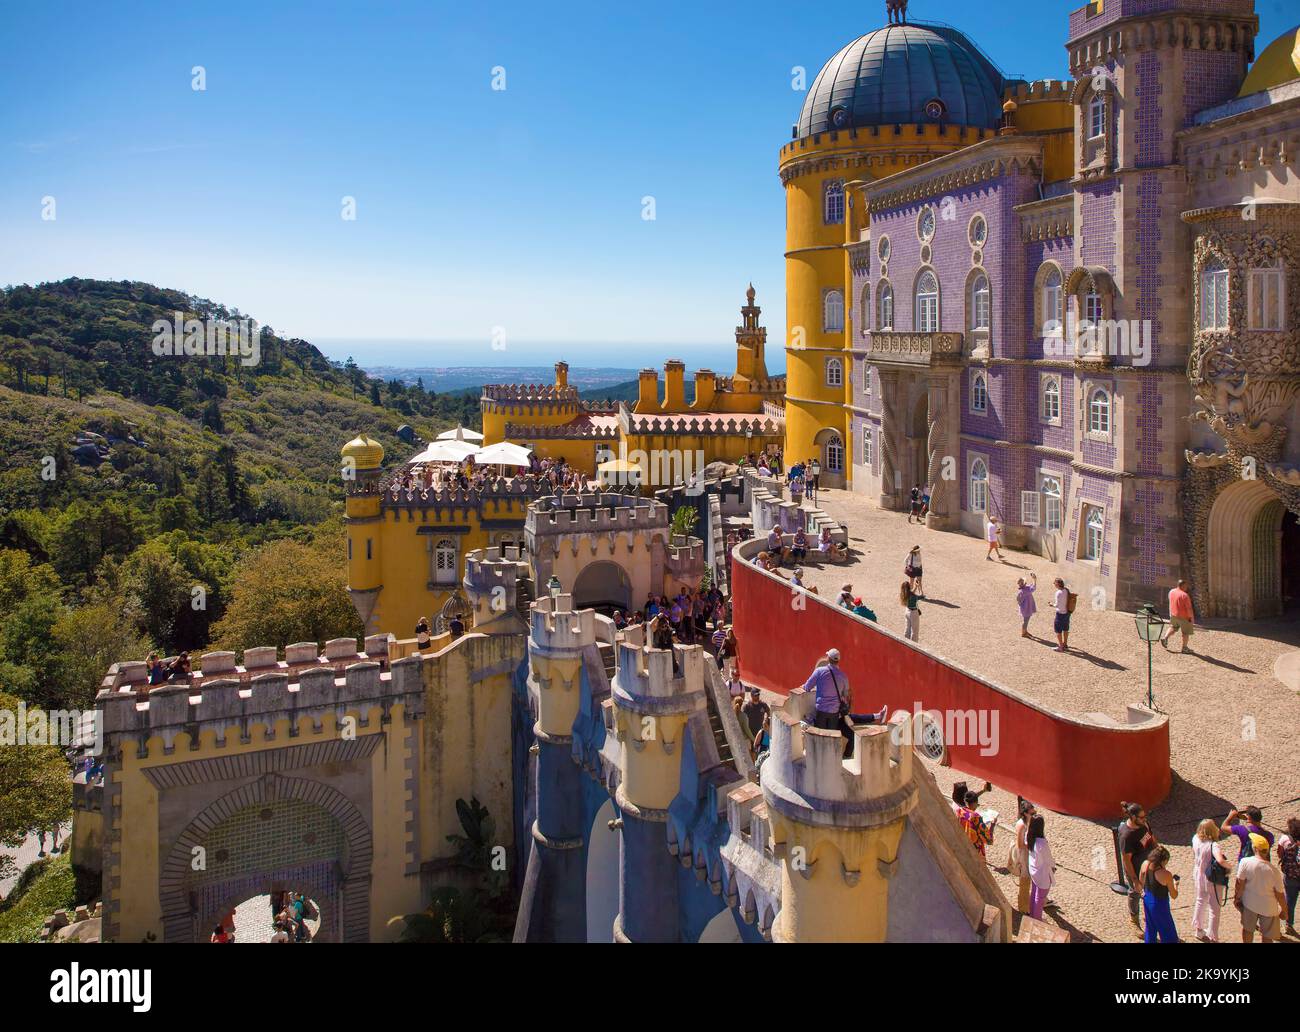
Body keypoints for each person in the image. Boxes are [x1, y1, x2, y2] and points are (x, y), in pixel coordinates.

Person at [1234, 834, 1286, 943]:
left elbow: (1239, 884)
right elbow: (1280, 895)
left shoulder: (1245, 862)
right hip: (1269, 908)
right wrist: (1284, 911)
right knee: (1267, 936)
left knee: (1248, 930)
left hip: (1250, 904)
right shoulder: (1274, 871)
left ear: (1255, 849)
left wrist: (1237, 898)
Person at [1119, 801, 1157, 937]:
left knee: (1150, 889)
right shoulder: (1126, 836)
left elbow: (1151, 837)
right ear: (1133, 818)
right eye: (1141, 817)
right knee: (1135, 892)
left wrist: (1158, 852)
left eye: (1144, 816)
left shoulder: (1143, 824)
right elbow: (1126, 859)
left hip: (1148, 864)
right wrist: (1134, 879)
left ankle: (1149, 915)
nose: (1144, 819)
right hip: (1135, 868)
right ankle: (1134, 920)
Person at [1191, 818, 1230, 943]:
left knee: (1200, 901)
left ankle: (1198, 929)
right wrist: (1229, 866)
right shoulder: (1213, 845)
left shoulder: (1195, 839)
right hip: (1212, 878)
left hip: (1199, 875)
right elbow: (1220, 860)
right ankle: (1213, 935)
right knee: (1214, 907)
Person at [1139, 846, 1180, 943]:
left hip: (1148, 900)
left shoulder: (1145, 864)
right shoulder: (1165, 874)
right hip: (1160, 904)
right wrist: (1176, 884)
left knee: (1150, 929)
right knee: (1167, 931)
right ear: (1163, 860)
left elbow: (1141, 881)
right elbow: (1174, 895)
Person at [1010, 799, 1037, 914]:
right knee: (1024, 882)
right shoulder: (1021, 825)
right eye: (1032, 813)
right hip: (1023, 856)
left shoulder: (1027, 822)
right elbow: (1020, 844)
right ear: (1025, 813)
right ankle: (1023, 909)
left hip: (1027, 854)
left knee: (1027, 882)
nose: (1033, 815)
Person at [1026, 814, 1055, 920]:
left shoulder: (1028, 836)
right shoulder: (1042, 843)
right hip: (1042, 873)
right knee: (1040, 897)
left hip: (1033, 870)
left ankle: (1032, 915)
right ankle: (1037, 919)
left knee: (1034, 893)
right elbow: (1048, 859)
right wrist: (1053, 867)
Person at [1277, 817, 1299, 937]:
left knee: (1290, 901)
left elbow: (1280, 854)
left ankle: (1289, 925)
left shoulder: (1285, 839)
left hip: (1290, 876)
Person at [956, 791, 996, 858]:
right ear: (975, 803)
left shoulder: (959, 811)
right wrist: (992, 825)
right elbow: (988, 840)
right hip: (975, 850)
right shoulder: (976, 817)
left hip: (963, 846)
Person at [1160, 578, 1195, 653]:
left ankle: (1165, 638)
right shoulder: (1184, 595)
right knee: (1185, 633)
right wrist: (1191, 618)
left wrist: (1171, 613)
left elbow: (1171, 602)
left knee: (1173, 627)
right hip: (1184, 617)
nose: (1187, 587)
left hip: (1173, 615)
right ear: (1183, 586)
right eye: (1186, 586)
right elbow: (1189, 608)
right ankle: (1184, 648)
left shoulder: (1171, 591)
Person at [1052, 578, 1072, 652]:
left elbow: (1057, 605)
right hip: (1067, 613)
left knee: (1058, 630)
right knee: (1066, 629)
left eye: (1054, 583)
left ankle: (1060, 647)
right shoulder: (1066, 590)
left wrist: (1052, 605)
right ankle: (1065, 644)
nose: (1054, 584)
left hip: (1060, 614)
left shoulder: (1058, 593)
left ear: (1057, 584)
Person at [1016, 573, 1037, 638]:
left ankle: (1025, 631)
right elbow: (1033, 587)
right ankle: (1023, 633)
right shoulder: (1026, 590)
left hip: (1024, 608)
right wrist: (1034, 579)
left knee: (1026, 620)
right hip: (1027, 608)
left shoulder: (1022, 591)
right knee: (1026, 621)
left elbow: (1018, 600)